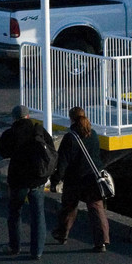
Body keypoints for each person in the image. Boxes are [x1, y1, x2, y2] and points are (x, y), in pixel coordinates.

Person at [0, 104, 54, 260]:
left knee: (15, 212)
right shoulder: (39, 130)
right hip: (38, 179)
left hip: (18, 180)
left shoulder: (11, 133)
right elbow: (51, 148)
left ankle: (14, 246)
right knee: (38, 214)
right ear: (28, 116)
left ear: (14, 117)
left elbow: (1, 151)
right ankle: (37, 251)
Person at [51, 107, 111, 253]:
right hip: (93, 178)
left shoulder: (70, 138)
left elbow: (63, 162)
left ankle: (62, 234)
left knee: (69, 207)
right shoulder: (93, 134)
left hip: (74, 179)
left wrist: (55, 180)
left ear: (71, 118)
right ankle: (101, 241)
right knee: (97, 208)